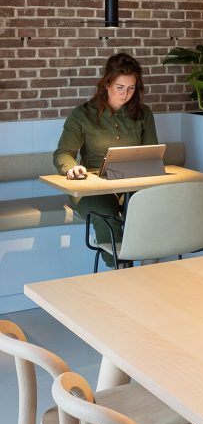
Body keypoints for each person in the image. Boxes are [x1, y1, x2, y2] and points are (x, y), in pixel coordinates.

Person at [53, 53, 157, 267]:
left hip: (133, 183)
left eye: (131, 88)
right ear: (107, 83)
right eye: (120, 87)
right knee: (106, 214)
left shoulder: (144, 114)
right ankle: (119, 271)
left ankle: (148, 269)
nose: (125, 94)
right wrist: (71, 168)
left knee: (150, 209)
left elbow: (151, 155)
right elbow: (63, 153)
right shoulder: (82, 114)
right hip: (93, 188)